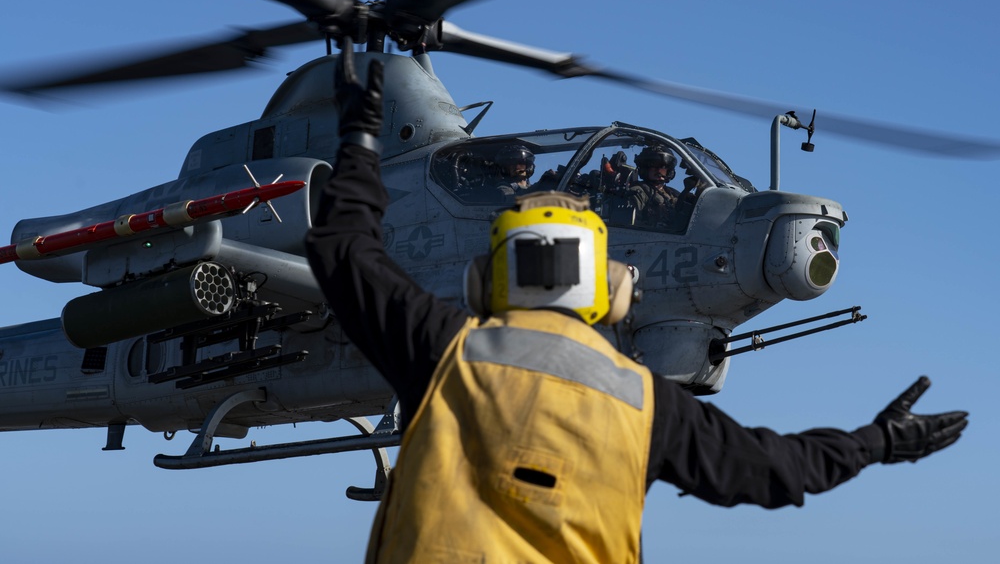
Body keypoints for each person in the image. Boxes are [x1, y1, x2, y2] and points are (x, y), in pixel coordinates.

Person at [305, 52, 969, 563]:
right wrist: (878, 441)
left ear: (487, 279)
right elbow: (777, 470)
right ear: (611, 288)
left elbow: (344, 250)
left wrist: (359, 141)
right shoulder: (645, 402)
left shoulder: (445, 350)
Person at [628, 145, 684, 230]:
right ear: (645, 168)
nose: (659, 171)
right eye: (654, 166)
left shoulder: (673, 194)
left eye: (663, 167)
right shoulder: (637, 192)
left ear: (669, 171)